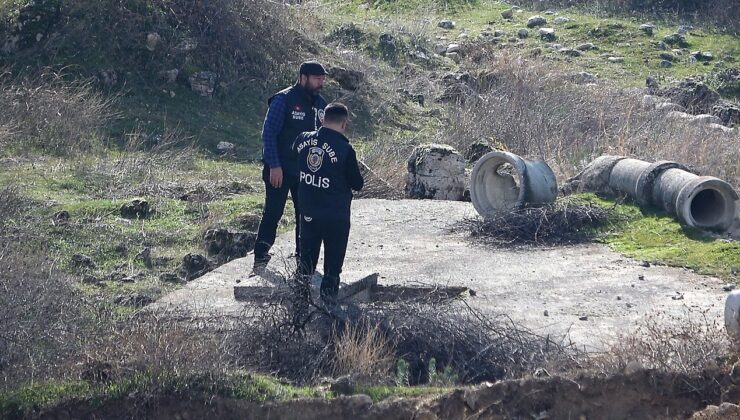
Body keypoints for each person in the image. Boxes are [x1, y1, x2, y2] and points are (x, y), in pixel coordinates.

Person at [253, 60, 328, 270]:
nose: (320, 83)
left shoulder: (321, 104)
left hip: (306, 172)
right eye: (317, 79)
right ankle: (260, 254)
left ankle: (302, 257)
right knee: (273, 212)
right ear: (303, 77)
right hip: (280, 168)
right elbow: (269, 133)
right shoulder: (283, 100)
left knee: (306, 214)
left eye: (322, 79)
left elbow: (324, 138)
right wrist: (274, 165)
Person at [293, 102, 364, 303]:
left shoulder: (302, 139)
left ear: (322, 119)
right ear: (344, 124)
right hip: (335, 216)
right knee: (332, 270)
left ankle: (298, 311)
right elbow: (357, 184)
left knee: (305, 266)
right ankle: (328, 313)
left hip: (308, 212)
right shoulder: (345, 149)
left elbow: (293, 160)